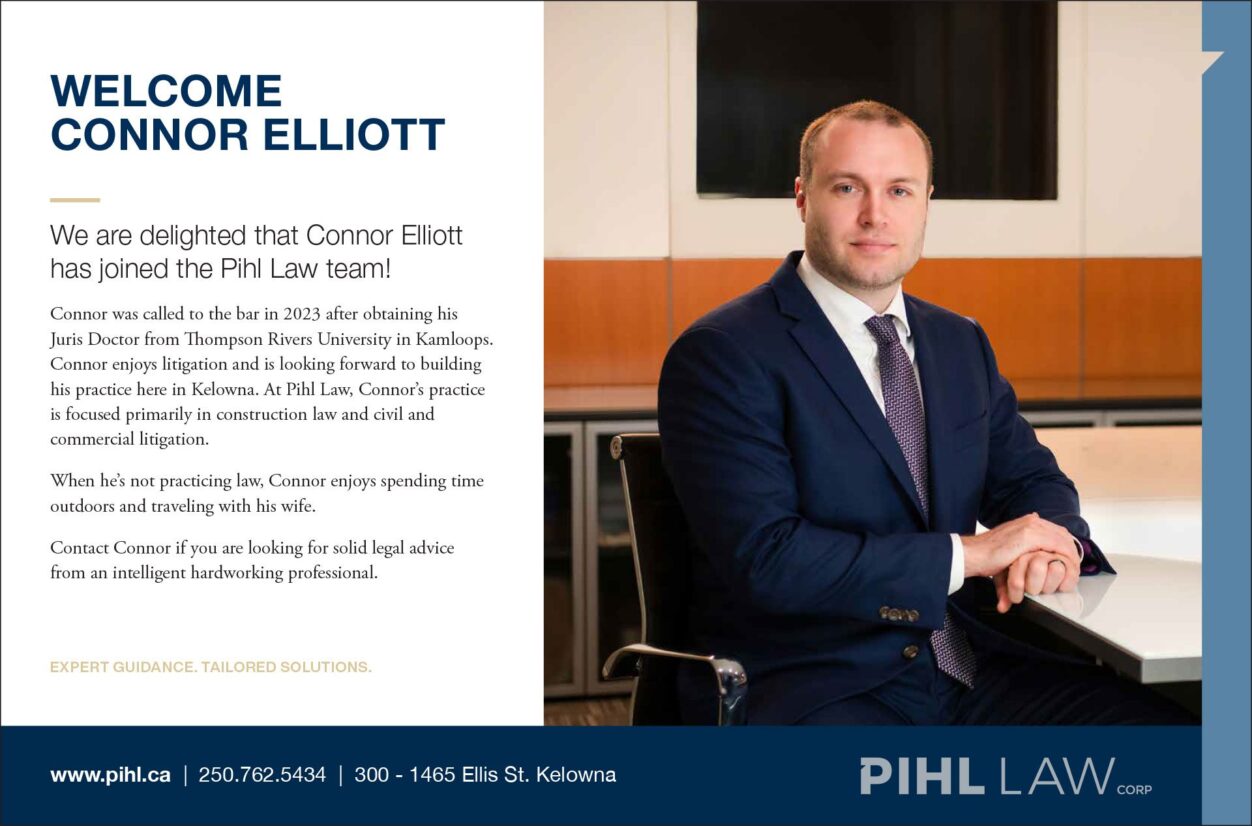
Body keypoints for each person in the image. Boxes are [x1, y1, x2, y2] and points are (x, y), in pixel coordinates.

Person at [657, 100, 1194, 725]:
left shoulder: (958, 341)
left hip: (972, 666)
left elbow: (1030, 481)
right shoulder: (725, 353)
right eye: (848, 186)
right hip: (817, 687)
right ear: (803, 197)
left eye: (900, 190)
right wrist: (972, 555)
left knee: (1187, 740)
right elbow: (769, 560)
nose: (875, 214)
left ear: (927, 203)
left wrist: (1055, 544)